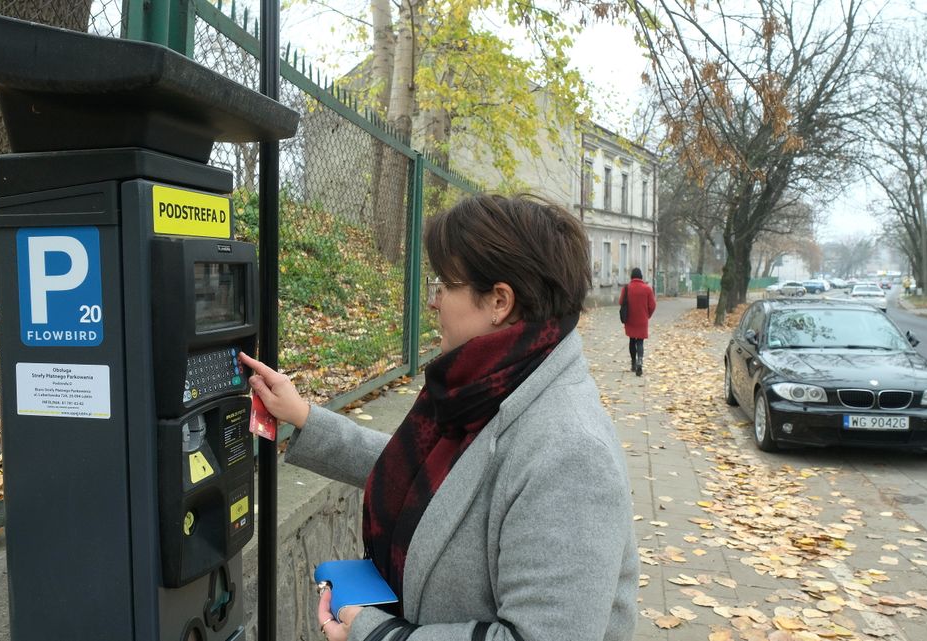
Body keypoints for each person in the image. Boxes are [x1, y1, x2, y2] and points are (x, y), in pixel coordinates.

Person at [240, 194, 637, 641]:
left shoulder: (571, 452)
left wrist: (378, 634)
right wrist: (304, 417)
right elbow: (430, 483)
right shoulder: (491, 388)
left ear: (499, 302)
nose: (435, 302)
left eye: (446, 286)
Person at [618, 267, 656, 377]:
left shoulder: (626, 289)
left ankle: (633, 364)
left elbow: (621, 302)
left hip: (630, 319)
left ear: (631, 277)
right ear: (641, 277)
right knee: (640, 341)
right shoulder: (647, 289)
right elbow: (652, 305)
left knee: (631, 340)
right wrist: (647, 315)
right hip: (642, 319)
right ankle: (640, 361)